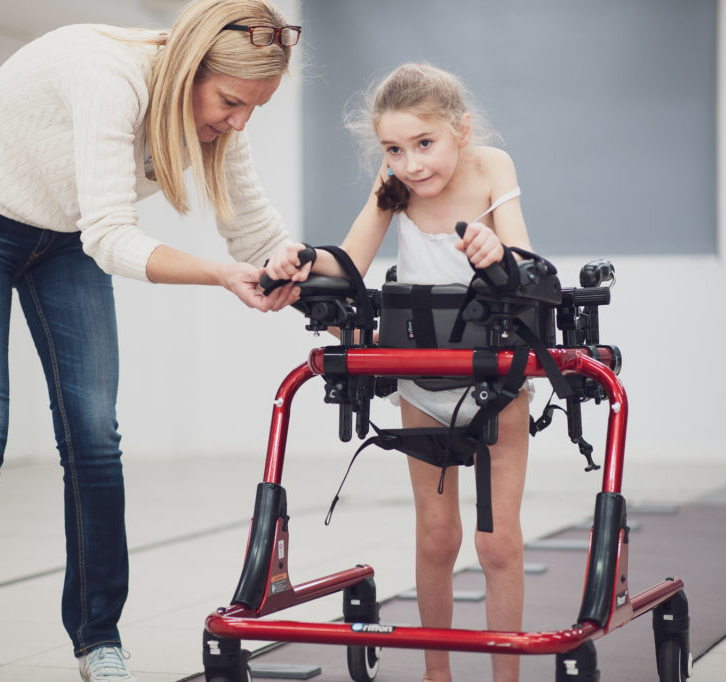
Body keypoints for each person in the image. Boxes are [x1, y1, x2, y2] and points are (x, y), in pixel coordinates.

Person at [0, 2, 305, 680]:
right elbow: (111, 236)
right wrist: (219, 275)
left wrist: (314, 277)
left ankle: (99, 639)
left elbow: (258, 235)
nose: (239, 120)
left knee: (93, 434)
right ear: (193, 69)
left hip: (62, 236)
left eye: (256, 108)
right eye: (232, 102)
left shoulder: (219, 115)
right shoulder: (112, 76)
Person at [263, 63, 533, 682]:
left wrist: (498, 254)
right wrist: (303, 257)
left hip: (495, 378)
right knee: (437, 538)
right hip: (421, 378)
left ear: (461, 129)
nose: (411, 164)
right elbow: (349, 262)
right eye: (394, 149)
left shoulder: (493, 167)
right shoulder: (396, 184)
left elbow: (524, 260)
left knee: (497, 543)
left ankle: (506, 677)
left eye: (424, 144)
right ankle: (436, 674)